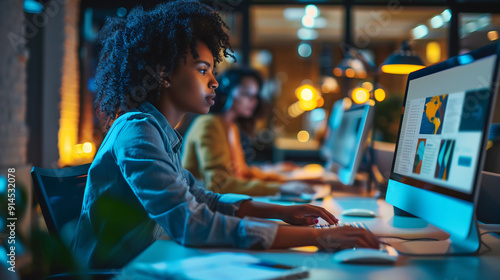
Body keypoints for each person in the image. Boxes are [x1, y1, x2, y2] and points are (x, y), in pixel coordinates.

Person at [72, 0, 379, 270]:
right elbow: (191, 224)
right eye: (203, 70)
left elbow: (205, 198)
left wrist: (283, 211)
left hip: (148, 260)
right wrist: (319, 237)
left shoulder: (160, 134)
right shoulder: (138, 131)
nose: (215, 83)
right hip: (117, 273)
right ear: (164, 73)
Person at [182, 67, 311, 196]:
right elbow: (218, 184)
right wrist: (279, 188)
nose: (253, 101)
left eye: (255, 96)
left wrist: (285, 182)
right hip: (198, 204)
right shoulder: (209, 124)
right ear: (227, 92)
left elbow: (241, 173)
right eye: (246, 94)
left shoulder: (231, 127)